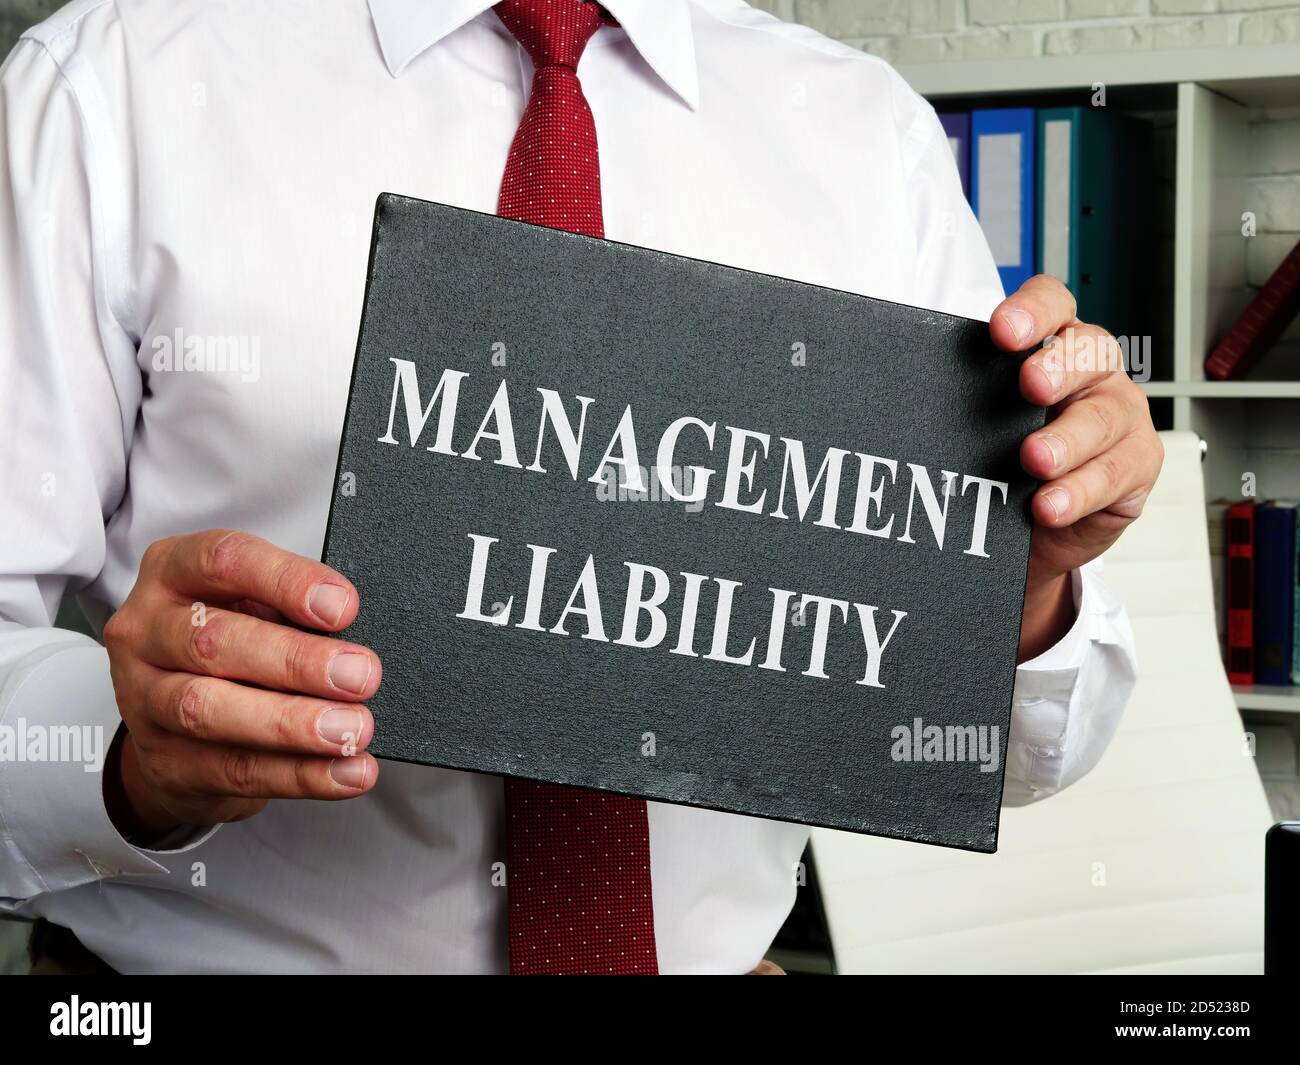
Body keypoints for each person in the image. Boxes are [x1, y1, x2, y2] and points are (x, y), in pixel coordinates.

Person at [0, 0, 1162, 974]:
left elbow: (1002, 754)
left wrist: (1011, 595)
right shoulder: (109, 89)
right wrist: (126, 750)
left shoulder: (867, 133)